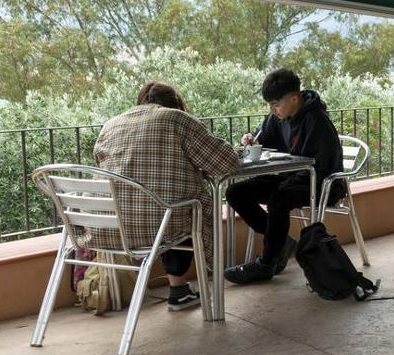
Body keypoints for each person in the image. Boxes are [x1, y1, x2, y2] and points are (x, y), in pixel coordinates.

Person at [94, 82, 240, 310]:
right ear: (175, 103)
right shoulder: (177, 120)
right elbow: (227, 163)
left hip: (106, 228)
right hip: (158, 225)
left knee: (164, 202)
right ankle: (195, 298)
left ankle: (179, 290)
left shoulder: (110, 125)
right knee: (183, 208)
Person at [225, 69, 344, 284]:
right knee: (236, 192)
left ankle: (267, 262)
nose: (272, 110)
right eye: (269, 105)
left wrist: (290, 178)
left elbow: (322, 165)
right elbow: (265, 139)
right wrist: (252, 140)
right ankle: (283, 244)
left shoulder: (317, 120)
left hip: (322, 182)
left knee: (278, 199)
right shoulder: (278, 117)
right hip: (293, 178)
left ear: (295, 98)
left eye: (275, 104)